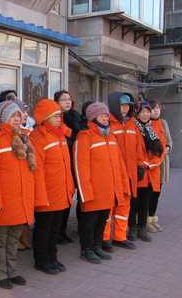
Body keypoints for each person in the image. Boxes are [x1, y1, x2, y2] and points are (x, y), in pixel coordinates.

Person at [0, 100, 36, 288]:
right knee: (0, 239)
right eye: (12, 116)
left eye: (18, 115)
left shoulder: (24, 137)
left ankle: (11, 270)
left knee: (14, 238)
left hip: (21, 198)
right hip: (4, 198)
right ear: (3, 118)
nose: (17, 119)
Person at [74, 102, 130, 264]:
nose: (106, 117)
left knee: (101, 221)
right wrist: (85, 193)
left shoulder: (111, 136)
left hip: (109, 190)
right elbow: (80, 167)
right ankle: (86, 250)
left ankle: (97, 246)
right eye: (102, 115)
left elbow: (119, 164)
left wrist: (122, 186)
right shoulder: (84, 137)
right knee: (89, 223)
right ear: (93, 117)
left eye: (106, 114)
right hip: (93, 192)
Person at [30, 99, 75, 275]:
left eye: (60, 116)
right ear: (45, 117)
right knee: (44, 229)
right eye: (55, 116)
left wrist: (69, 188)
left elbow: (65, 165)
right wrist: (41, 196)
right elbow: (37, 170)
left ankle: (52, 257)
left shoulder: (60, 135)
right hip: (47, 194)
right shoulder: (38, 137)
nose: (59, 119)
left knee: (55, 229)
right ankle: (42, 260)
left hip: (60, 192)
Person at [102, 92, 140, 248]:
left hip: (129, 174)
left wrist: (139, 166)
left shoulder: (132, 124)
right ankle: (104, 238)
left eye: (127, 106)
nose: (125, 109)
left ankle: (119, 236)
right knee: (109, 207)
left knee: (124, 206)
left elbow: (138, 148)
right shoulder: (107, 124)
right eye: (121, 106)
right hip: (114, 173)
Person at [130, 100, 163, 242]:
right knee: (134, 202)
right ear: (137, 113)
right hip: (137, 172)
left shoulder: (151, 128)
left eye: (148, 111)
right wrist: (141, 163)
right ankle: (132, 228)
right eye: (143, 111)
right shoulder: (132, 127)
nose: (146, 114)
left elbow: (160, 150)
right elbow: (130, 150)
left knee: (145, 202)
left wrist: (152, 164)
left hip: (150, 172)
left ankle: (142, 228)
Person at [54, 90, 83, 244]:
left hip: (74, 162)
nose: (67, 102)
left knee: (69, 199)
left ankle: (62, 230)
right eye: (63, 99)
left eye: (69, 99)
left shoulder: (76, 116)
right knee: (59, 200)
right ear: (56, 102)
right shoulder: (54, 119)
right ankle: (57, 232)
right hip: (61, 163)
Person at [147, 100, 172, 232]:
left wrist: (167, 147)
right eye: (153, 108)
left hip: (162, 164)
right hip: (151, 165)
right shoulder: (146, 124)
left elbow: (169, 140)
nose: (156, 110)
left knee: (157, 193)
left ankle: (152, 218)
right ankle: (145, 220)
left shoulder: (163, 123)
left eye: (158, 108)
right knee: (149, 193)